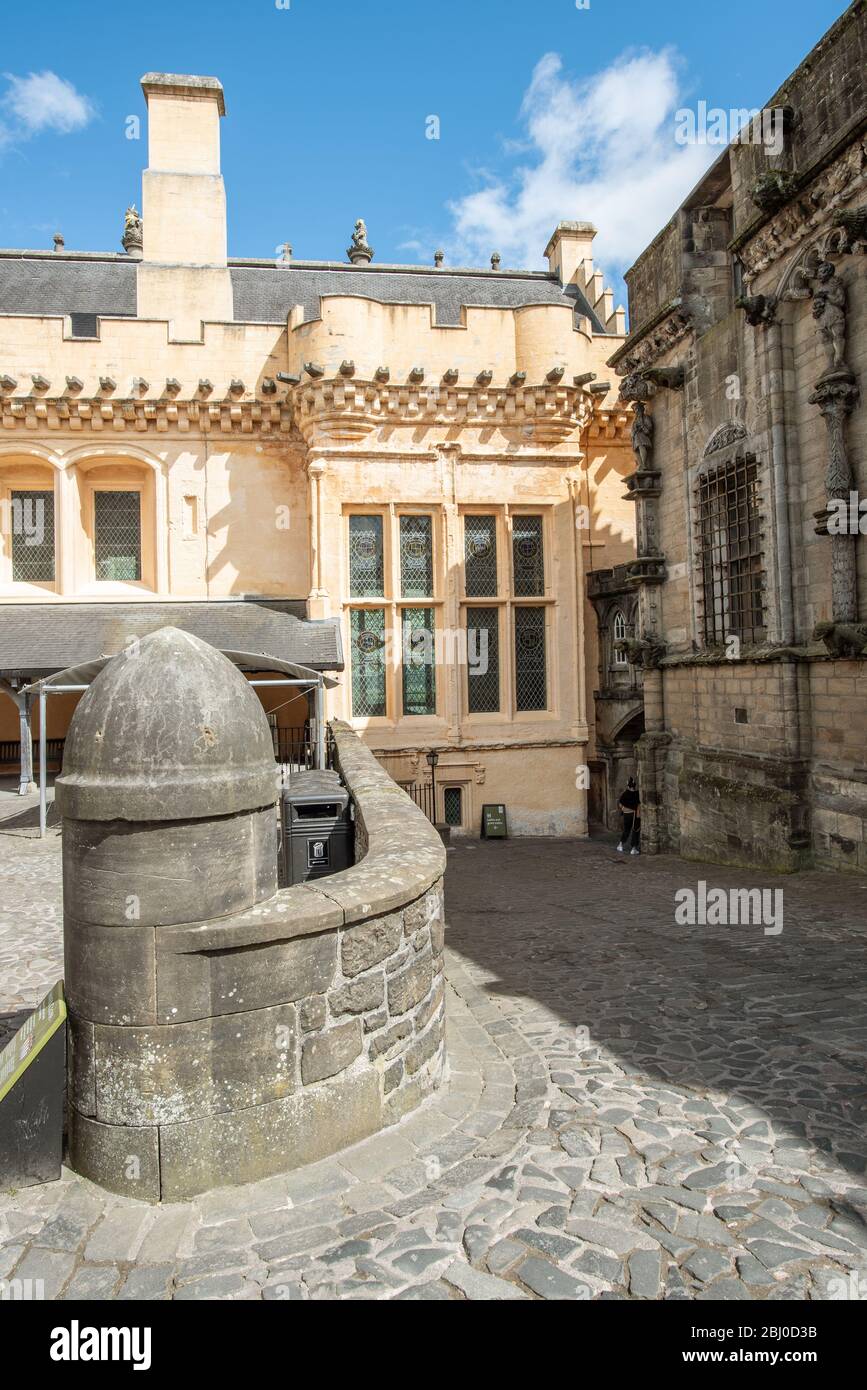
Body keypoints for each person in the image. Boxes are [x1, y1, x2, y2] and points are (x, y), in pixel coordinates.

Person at [617, 777, 641, 855]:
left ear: (628, 785)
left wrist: (624, 808)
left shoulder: (625, 793)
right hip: (634, 814)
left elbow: (620, 804)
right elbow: (639, 804)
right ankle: (633, 849)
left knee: (626, 830)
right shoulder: (637, 794)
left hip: (627, 814)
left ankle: (620, 845)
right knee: (635, 830)